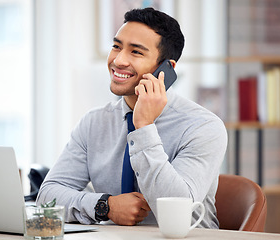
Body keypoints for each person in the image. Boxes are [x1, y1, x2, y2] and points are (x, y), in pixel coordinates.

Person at [36, 7, 227, 228]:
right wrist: (105, 206)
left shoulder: (203, 127)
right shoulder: (94, 122)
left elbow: (179, 210)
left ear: (166, 68)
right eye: (116, 47)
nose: (118, 60)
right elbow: (47, 197)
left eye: (136, 52)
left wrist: (143, 126)